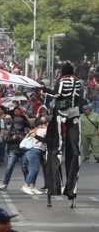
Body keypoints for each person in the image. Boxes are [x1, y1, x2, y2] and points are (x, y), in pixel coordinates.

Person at [43, 62, 82, 208]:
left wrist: (44, 89)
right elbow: (79, 98)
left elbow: (57, 94)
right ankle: (71, 188)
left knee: (56, 148)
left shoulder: (63, 80)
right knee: (74, 150)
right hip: (75, 113)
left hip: (61, 113)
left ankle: (55, 186)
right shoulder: (78, 82)